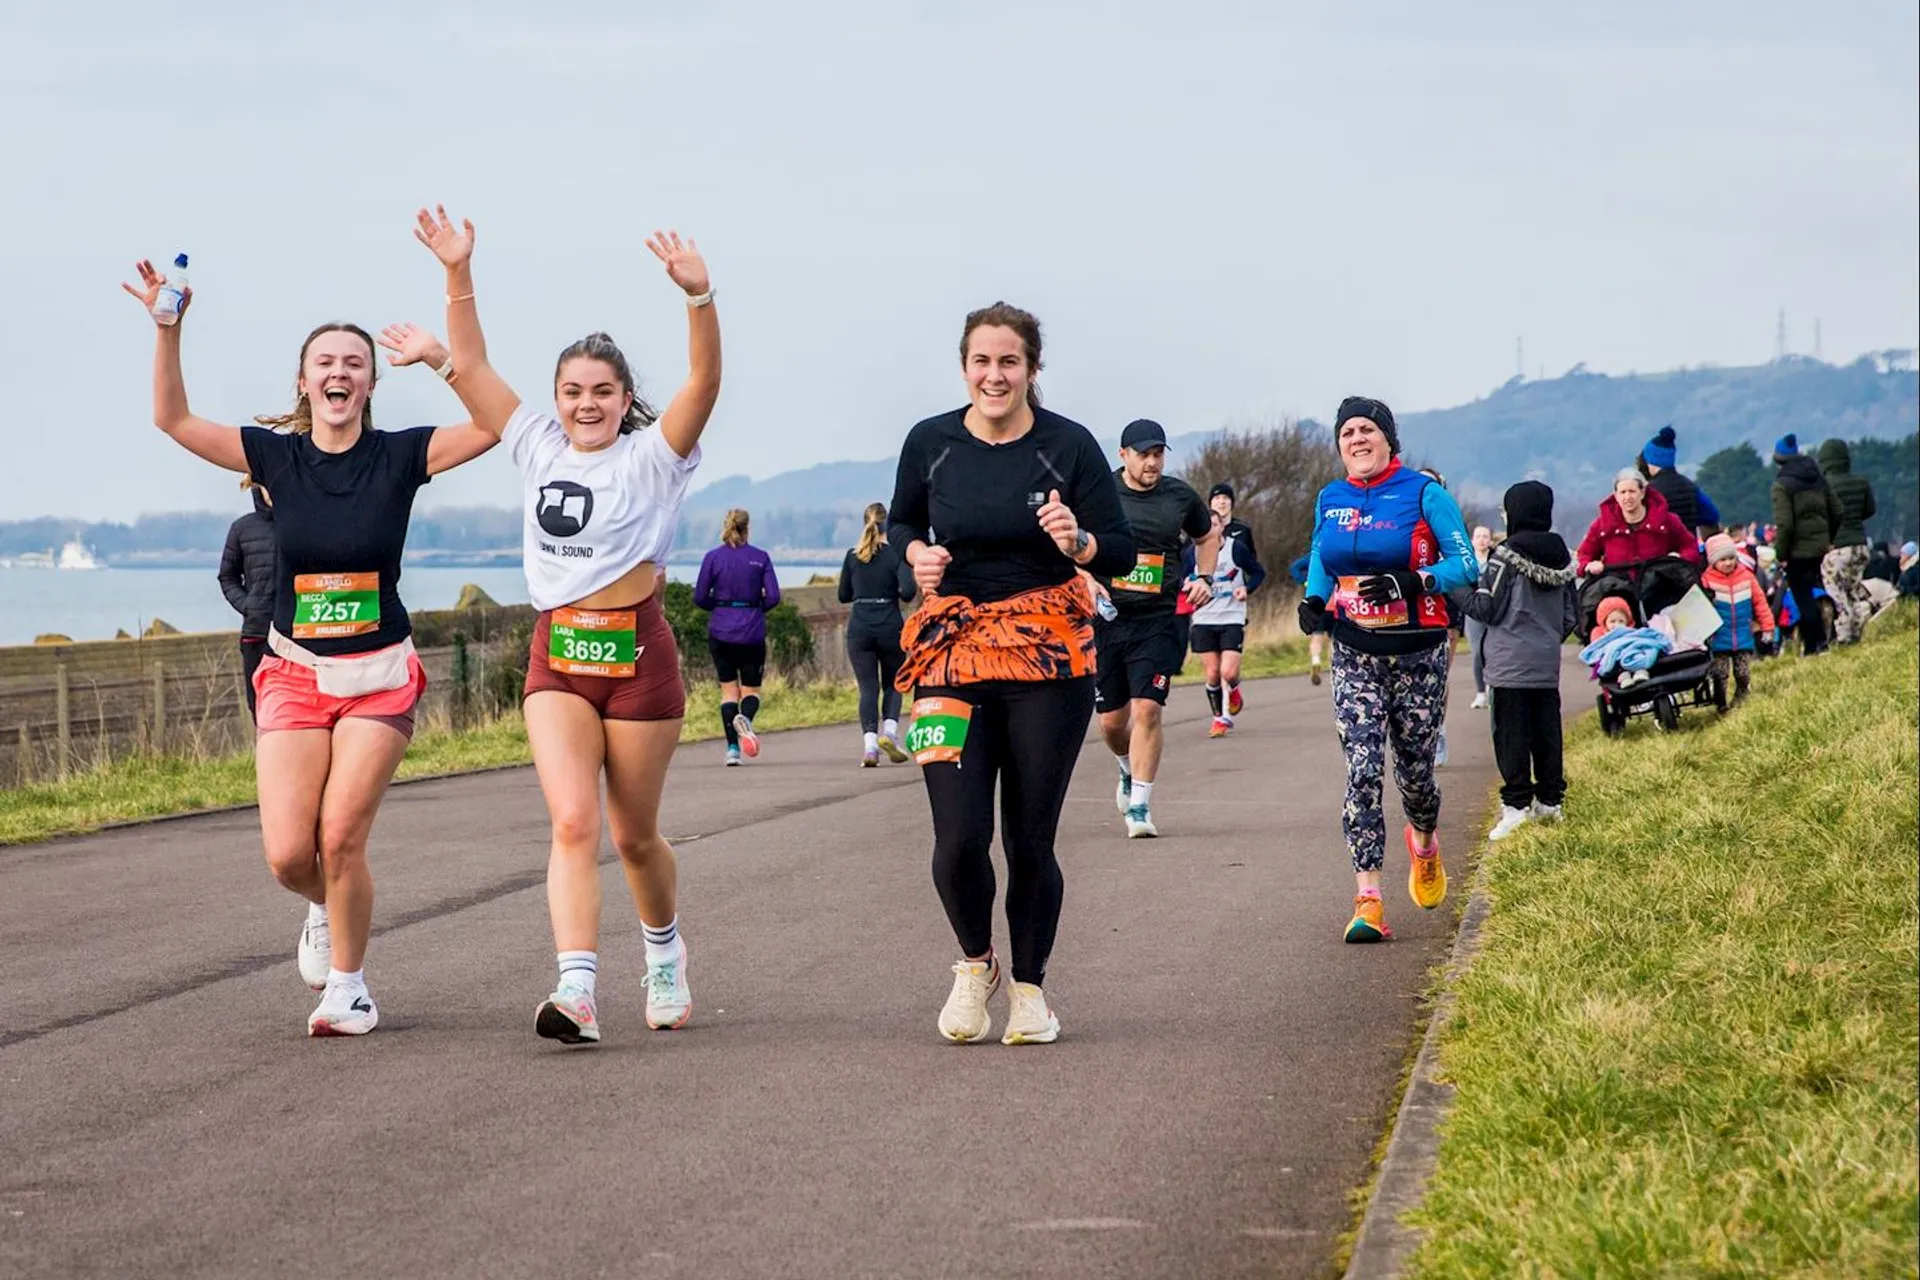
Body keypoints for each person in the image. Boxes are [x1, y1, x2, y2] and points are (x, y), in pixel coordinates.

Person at [122, 256, 499, 1037]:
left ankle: (350, 988)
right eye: (325, 362)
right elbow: (173, 421)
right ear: (304, 382)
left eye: (354, 364)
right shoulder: (275, 457)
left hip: (379, 674)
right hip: (293, 672)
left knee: (340, 836)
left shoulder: (399, 456)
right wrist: (169, 330)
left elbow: (496, 424)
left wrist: (442, 358)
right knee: (292, 856)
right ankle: (322, 907)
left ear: (369, 385)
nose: (339, 373)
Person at [403, 205, 718, 1046]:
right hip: (558, 655)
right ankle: (577, 988)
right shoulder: (536, 445)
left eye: (602, 392)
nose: (586, 404)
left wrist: (699, 299)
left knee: (635, 834)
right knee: (574, 822)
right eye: (572, 391)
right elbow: (466, 365)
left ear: (624, 401)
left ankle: (663, 952)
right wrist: (457, 271)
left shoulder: (655, 458)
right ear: (556, 399)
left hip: (639, 656)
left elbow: (704, 387)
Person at [887, 300, 1136, 1046]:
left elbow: (1120, 550)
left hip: (1046, 656)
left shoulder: (1070, 446)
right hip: (950, 652)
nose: (994, 375)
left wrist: (1080, 539)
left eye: (1009, 362)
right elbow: (903, 520)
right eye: (981, 362)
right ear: (965, 367)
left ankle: (1030, 989)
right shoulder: (929, 442)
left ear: (1032, 370)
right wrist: (914, 555)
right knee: (958, 837)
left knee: (1029, 839)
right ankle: (975, 965)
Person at [1298, 397, 1479, 943]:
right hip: (1355, 651)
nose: (1357, 438)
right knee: (1362, 770)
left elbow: (1465, 561)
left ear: (1389, 439)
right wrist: (1313, 598)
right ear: (1339, 443)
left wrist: (1415, 580)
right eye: (1348, 431)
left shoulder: (1425, 493)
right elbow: (1320, 556)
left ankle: (1424, 843)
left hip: (1418, 652)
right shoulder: (1330, 498)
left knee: (1416, 775)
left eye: (1368, 429)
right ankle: (1368, 900)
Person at [1092, 418, 1218, 837]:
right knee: (1112, 722)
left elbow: (1207, 537)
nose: (1151, 463)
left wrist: (1204, 578)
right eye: (1143, 454)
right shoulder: (1099, 492)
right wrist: (1085, 579)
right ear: (1123, 455)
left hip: (1157, 618)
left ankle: (1141, 807)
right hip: (1107, 620)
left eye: (1158, 454)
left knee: (1147, 708)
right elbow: (1072, 541)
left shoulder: (1179, 496)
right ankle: (1126, 768)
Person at [1463, 482, 1577, 841]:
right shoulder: (1563, 557)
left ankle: (1516, 808)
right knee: (1547, 734)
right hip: (1546, 664)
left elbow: (1487, 608)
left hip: (1508, 665)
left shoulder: (1505, 556)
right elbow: (1570, 616)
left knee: (1511, 737)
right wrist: (1544, 639)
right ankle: (1550, 803)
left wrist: (1454, 590)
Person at [695, 509, 781, 764]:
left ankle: (732, 749)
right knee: (751, 691)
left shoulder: (712, 558)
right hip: (752, 631)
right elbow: (774, 596)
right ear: (747, 528)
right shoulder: (760, 558)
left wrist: (721, 608)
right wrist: (755, 608)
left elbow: (700, 596)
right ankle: (746, 721)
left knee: (729, 692)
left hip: (721, 631)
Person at [838, 501, 915, 766]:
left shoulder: (852, 556)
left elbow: (843, 595)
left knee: (867, 687)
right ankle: (890, 734)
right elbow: (908, 591)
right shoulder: (895, 555)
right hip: (889, 623)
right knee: (893, 682)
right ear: (887, 525)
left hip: (860, 626)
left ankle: (870, 746)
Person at [1190, 484, 1267, 736]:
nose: (1212, 530)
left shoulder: (1237, 546)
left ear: (1222, 525)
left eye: (1215, 525)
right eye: (1207, 526)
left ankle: (1233, 690)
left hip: (1232, 614)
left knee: (1228, 671)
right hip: (1203, 617)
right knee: (1212, 674)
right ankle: (1219, 718)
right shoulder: (1191, 553)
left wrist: (1246, 588)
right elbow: (1178, 577)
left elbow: (1258, 572)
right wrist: (1186, 585)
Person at [1770, 434, 1843, 656]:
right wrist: (1829, 538)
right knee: (1822, 592)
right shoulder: (1819, 479)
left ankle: (1816, 643)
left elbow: (1785, 525)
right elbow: (1838, 510)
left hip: (1797, 552)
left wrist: (1781, 553)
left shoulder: (1782, 485)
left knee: (1803, 598)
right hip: (1821, 548)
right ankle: (1831, 637)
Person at [217, 478, 277, 721]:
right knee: (259, 711)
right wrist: (248, 606)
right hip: (257, 634)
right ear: (256, 486)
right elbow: (227, 577)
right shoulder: (241, 529)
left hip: (300, 636)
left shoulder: (306, 525)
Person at [1576, 468, 1700, 579]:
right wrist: (1589, 565)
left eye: (1632, 491)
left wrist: (1680, 558)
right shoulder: (1602, 525)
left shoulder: (1667, 521)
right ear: (1616, 496)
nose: (1627, 497)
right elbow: (1583, 555)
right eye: (1622, 492)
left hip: (1660, 585)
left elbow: (1690, 547)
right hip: (1616, 588)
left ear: (1642, 492)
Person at [1815, 438, 1879, 646]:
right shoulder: (1861, 482)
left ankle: (1844, 636)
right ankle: (1859, 629)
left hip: (1838, 547)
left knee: (1836, 592)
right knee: (1853, 590)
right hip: (1860, 545)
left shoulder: (1824, 487)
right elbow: (1870, 510)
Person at [1701, 533, 1775, 705]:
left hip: (1743, 634)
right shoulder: (1706, 581)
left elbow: (1760, 602)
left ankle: (1741, 694)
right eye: (1722, 559)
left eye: (1731, 558)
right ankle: (1720, 703)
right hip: (1719, 636)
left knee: (1743, 672)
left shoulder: (1747, 577)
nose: (1728, 563)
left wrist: (1768, 626)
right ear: (1713, 561)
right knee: (1720, 673)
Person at [1637, 425, 1720, 537]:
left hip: (1661, 551)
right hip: (1689, 549)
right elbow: (1712, 515)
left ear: (1649, 460)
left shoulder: (1649, 492)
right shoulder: (1690, 487)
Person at [1464, 525, 1493, 710]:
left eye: (1485, 536)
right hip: (1474, 610)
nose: (1482, 540)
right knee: (1477, 652)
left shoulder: (1495, 560)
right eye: (1478, 536)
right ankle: (1480, 692)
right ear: (1472, 540)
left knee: (1494, 650)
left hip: (1492, 608)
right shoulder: (1467, 561)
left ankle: (1493, 690)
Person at [1289, 553, 1329, 684]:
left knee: (1317, 637)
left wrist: (1305, 582)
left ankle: (1315, 660)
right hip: (1336, 601)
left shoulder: (1314, 557)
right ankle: (1335, 669)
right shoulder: (1338, 552)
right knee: (1335, 640)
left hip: (1317, 601)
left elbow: (1294, 568)